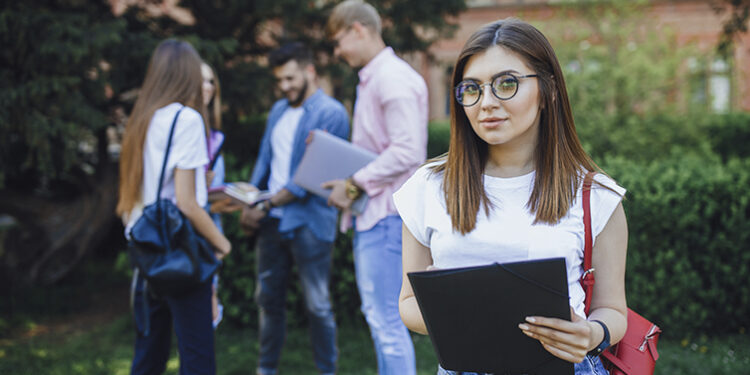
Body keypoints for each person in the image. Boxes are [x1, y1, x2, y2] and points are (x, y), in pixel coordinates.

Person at [393, 18, 628, 375]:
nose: (486, 102)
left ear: (548, 90)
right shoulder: (428, 187)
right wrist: (450, 308)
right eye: (471, 89)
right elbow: (408, 303)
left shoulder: (595, 195)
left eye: (506, 84)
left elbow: (613, 310)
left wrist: (592, 333)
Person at [324, 1, 428, 374]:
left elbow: (407, 150)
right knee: (382, 321)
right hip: (377, 217)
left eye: (338, 41)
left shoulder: (391, 79)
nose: (337, 52)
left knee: (387, 323)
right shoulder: (378, 77)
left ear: (358, 29)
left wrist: (353, 184)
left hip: (385, 218)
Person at [116, 39, 231, 375]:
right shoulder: (187, 120)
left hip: (145, 249)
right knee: (197, 356)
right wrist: (221, 245)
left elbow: (130, 196)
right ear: (186, 75)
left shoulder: (141, 120)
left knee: (148, 356)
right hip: (181, 251)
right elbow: (186, 203)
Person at [239, 42, 349, 375]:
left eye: (290, 78)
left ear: (309, 71)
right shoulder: (277, 111)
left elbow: (310, 178)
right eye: (279, 80)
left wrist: (267, 201)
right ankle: (266, 370)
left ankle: (327, 371)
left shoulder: (331, 113)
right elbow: (264, 159)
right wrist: (250, 202)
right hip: (270, 221)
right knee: (267, 301)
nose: (284, 86)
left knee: (317, 307)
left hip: (310, 224)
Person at [201, 61, 226, 329]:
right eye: (201, 80)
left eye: (211, 81)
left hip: (210, 229)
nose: (207, 87)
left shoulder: (215, 137)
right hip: (189, 235)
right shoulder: (183, 130)